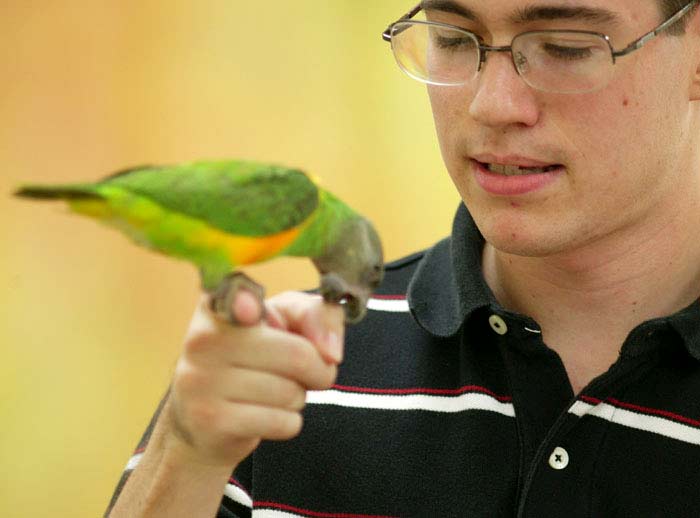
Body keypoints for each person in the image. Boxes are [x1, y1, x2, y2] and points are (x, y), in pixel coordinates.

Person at [106, 1, 700, 516]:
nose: (492, 105)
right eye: (452, 37)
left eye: (565, 47)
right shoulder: (288, 379)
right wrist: (183, 458)